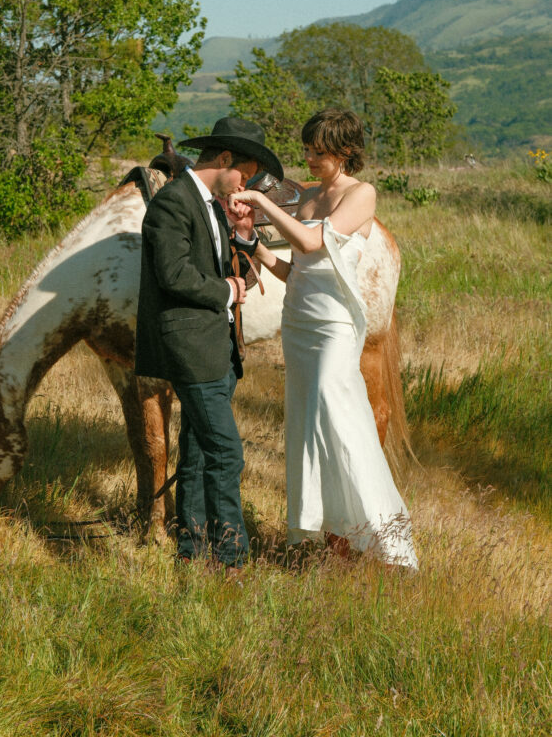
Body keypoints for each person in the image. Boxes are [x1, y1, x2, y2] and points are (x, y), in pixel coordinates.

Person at [228, 108, 418, 569]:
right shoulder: (309, 197)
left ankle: (381, 536)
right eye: (308, 149)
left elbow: (316, 244)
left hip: (335, 324)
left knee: (341, 419)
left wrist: (263, 203)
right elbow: (298, 272)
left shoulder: (362, 195)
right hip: (299, 321)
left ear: (345, 151)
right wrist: (252, 245)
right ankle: (330, 532)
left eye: (318, 151)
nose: (309, 158)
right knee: (308, 425)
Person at [135, 116, 284, 571]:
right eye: (247, 174)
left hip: (219, 351)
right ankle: (232, 560)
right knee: (226, 452)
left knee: (199, 452)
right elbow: (174, 274)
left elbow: (226, 261)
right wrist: (229, 291)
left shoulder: (213, 205)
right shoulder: (172, 205)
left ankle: (192, 550)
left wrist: (241, 233)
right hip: (190, 348)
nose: (248, 185)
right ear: (224, 160)